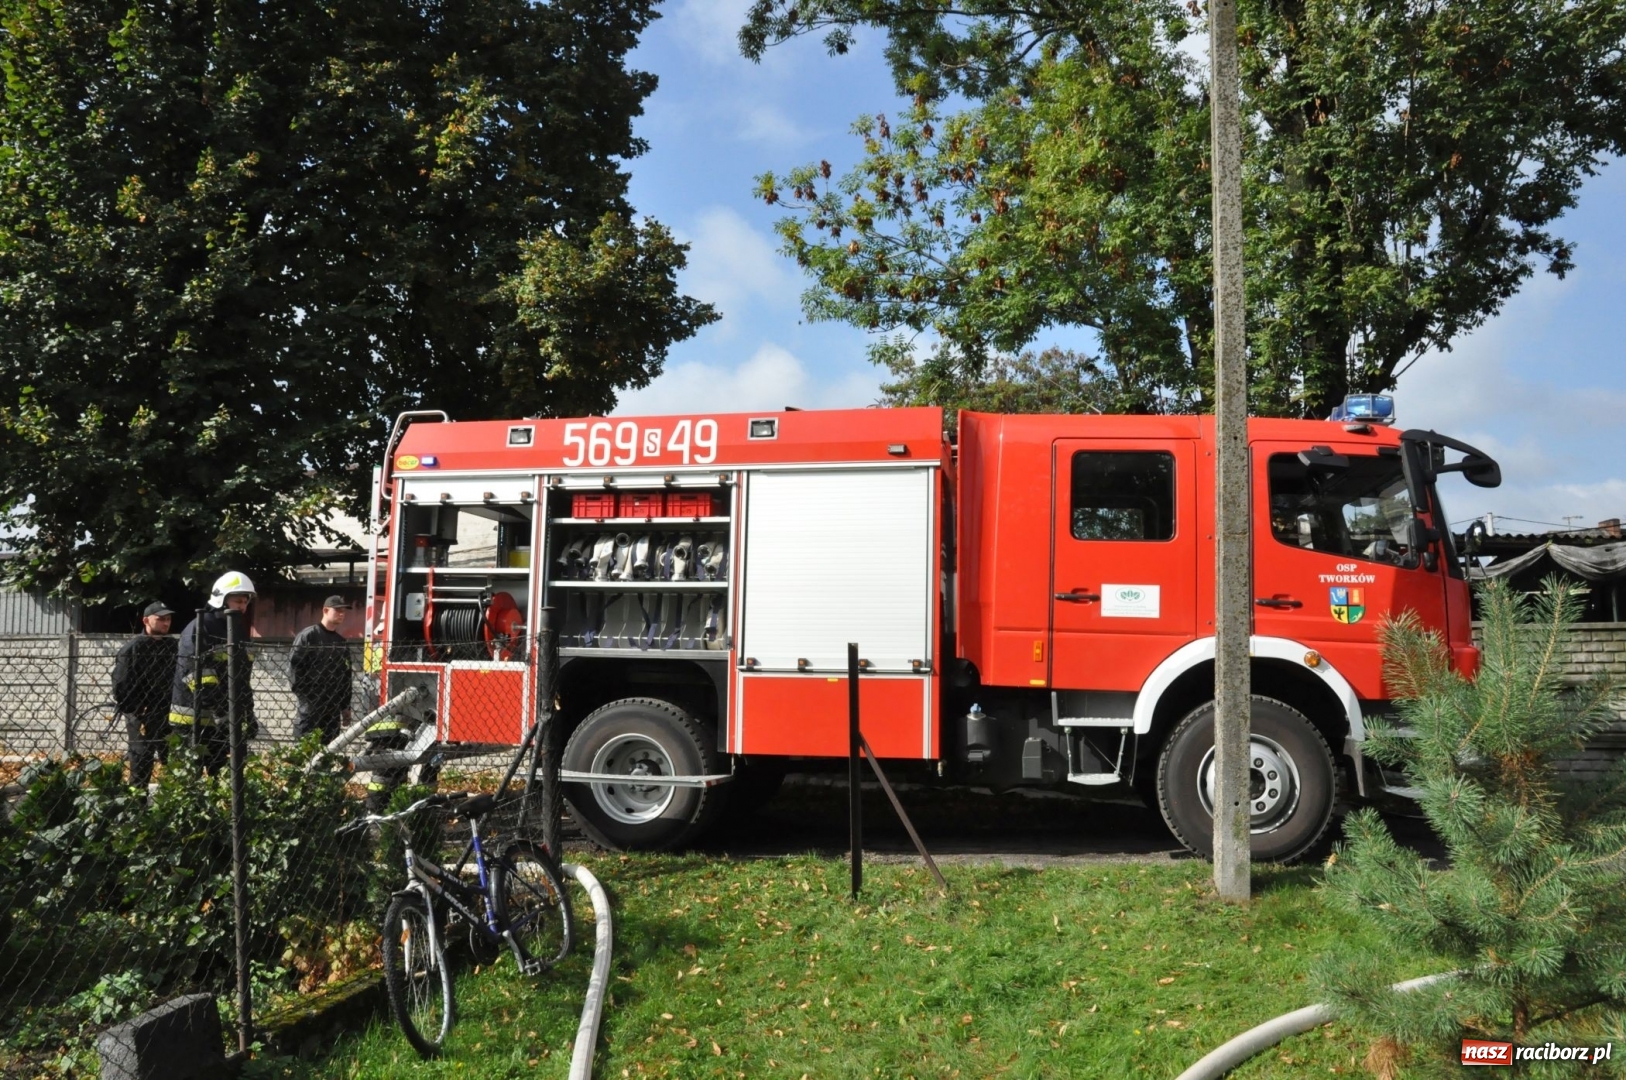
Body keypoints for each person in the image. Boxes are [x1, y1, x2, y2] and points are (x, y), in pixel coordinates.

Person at [170, 571, 258, 776]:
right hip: (191, 719)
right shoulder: (200, 627)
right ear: (222, 598)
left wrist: (248, 713)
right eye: (238, 601)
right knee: (190, 779)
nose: (243, 606)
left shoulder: (237, 631)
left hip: (225, 719)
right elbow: (197, 676)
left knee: (225, 777)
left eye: (245, 602)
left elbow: (242, 678)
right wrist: (222, 713)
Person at [113, 601, 178, 789]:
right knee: (141, 759)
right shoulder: (133, 648)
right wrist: (133, 708)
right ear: (146, 621)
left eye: (168, 619)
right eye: (160, 619)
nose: (166, 623)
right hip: (141, 713)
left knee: (174, 758)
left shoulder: (172, 646)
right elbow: (121, 683)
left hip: (167, 712)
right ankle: (137, 805)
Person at [289, 596, 354, 745]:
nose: (342, 614)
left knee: (329, 750)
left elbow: (345, 676)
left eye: (344, 611)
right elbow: (295, 668)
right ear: (325, 610)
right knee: (305, 746)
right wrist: (305, 697)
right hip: (311, 705)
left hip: (332, 708)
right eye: (338, 610)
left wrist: (345, 706)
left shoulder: (341, 642)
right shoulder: (308, 636)